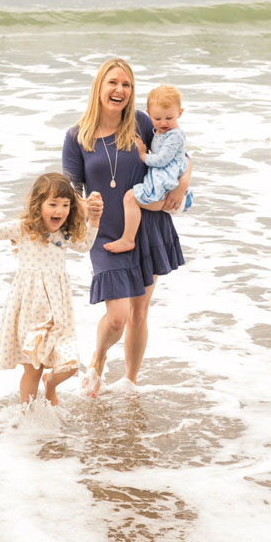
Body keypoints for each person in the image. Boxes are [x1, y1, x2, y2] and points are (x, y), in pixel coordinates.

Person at [62, 59, 190, 396]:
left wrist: (181, 186)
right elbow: (70, 190)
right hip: (104, 234)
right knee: (117, 316)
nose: (120, 90)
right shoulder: (77, 136)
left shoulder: (142, 123)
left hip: (148, 226)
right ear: (99, 87)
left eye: (127, 85)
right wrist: (82, 204)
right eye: (113, 83)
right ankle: (99, 357)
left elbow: (182, 157)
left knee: (139, 312)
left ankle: (131, 381)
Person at [0, 173, 104, 406]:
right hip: (30, 308)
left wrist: (94, 218)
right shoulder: (23, 229)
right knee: (33, 370)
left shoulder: (64, 234)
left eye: (65, 205)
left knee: (70, 363)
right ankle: (27, 416)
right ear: (38, 204)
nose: (59, 211)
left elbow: (86, 246)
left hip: (58, 312)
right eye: (52, 204)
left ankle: (51, 383)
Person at [104, 84, 193, 254]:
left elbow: (161, 159)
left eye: (169, 118)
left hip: (165, 182)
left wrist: (143, 155)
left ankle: (128, 239)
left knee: (130, 198)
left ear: (180, 113)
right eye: (157, 118)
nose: (163, 123)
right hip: (161, 179)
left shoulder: (175, 135)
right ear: (148, 114)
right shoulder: (159, 131)